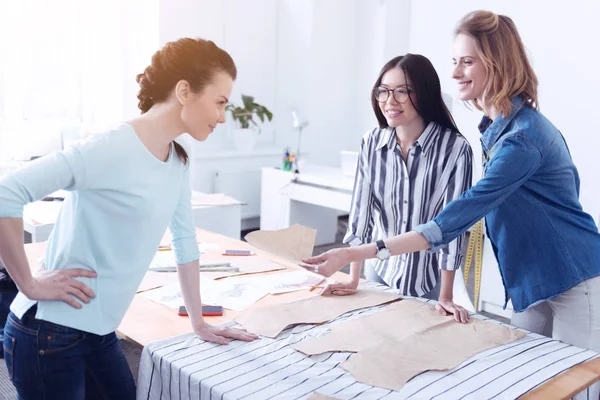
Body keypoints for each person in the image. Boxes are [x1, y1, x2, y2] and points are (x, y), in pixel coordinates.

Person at [301, 9, 600, 365]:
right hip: (530, 279)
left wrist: (353, 253)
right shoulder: (496, 128)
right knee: (526, 372)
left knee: (574, 379)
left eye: (467, 62)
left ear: (498, 63)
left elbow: (453, 221)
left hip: (573, 277)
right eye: (455, 61)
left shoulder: (522, 138)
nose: (455, 73)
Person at [0, 37, 258, 399]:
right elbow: (6, 193)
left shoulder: (178, 162)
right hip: (48, 332)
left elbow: (185, 242)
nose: (222, 116)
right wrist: (28, 284)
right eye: (219, 102)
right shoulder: (111, 146)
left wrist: (198, 321)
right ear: (185, 90)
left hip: (99, 330)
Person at [322, 54, 472, 323]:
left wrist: (446, 296)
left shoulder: (456, 150)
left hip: (428, 278)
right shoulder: (371, 142)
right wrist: (353, 278)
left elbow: (452, 230)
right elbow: (361, 216)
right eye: (383, 91)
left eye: (402, 92)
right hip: (380, 269)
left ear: (423, 93)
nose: (389, 102)